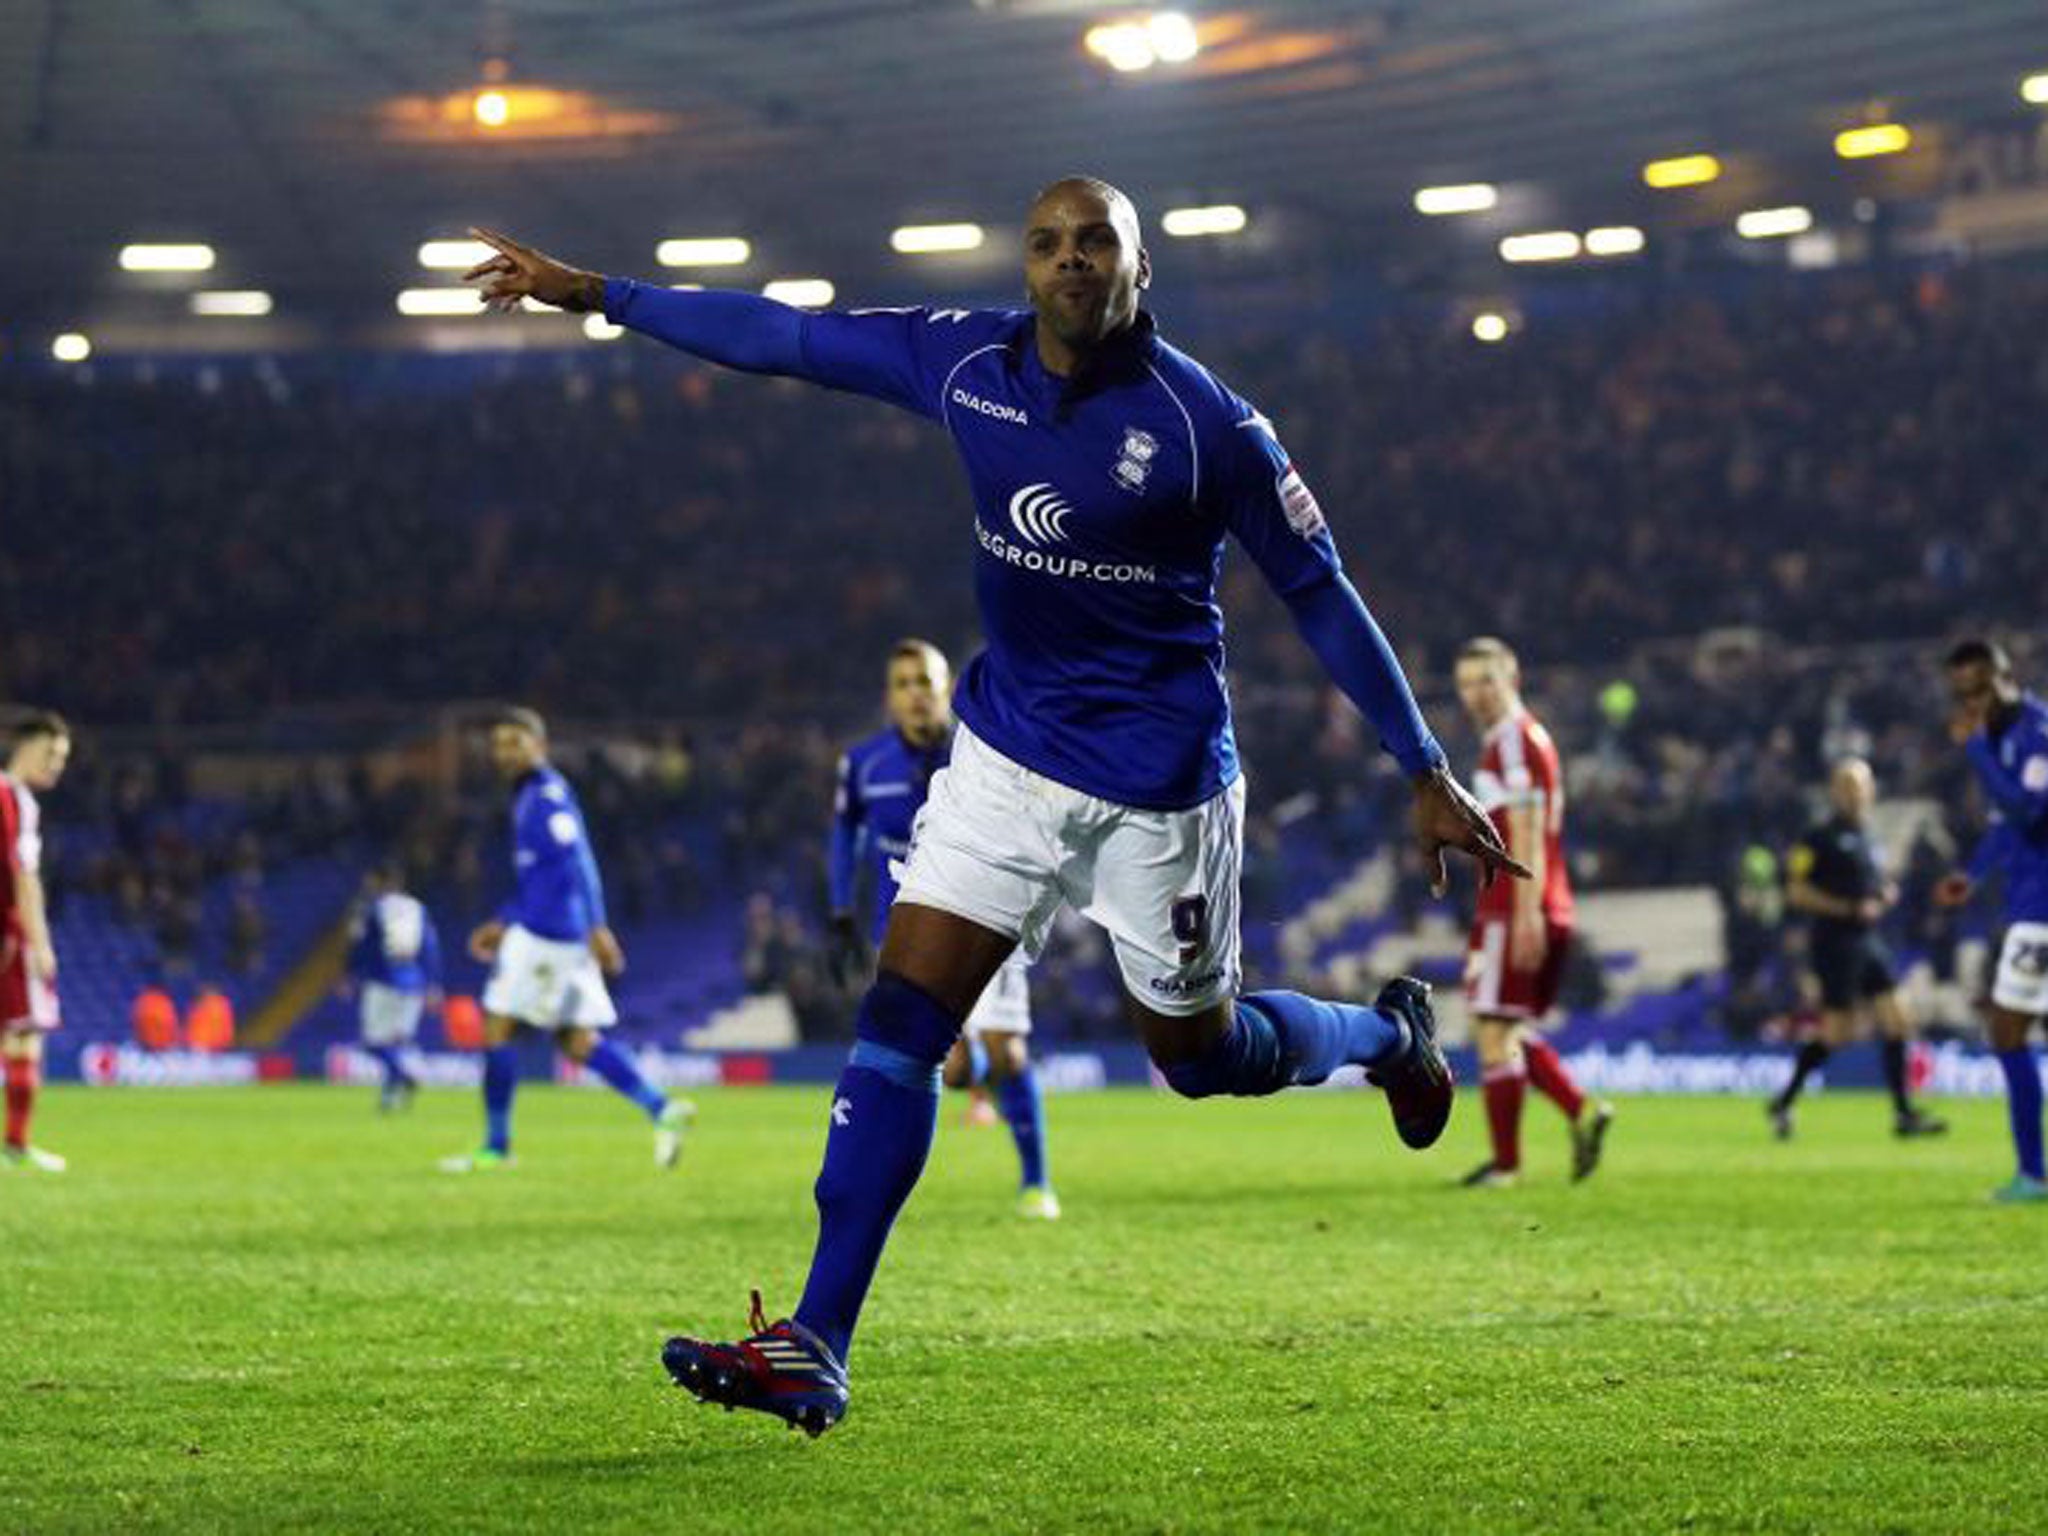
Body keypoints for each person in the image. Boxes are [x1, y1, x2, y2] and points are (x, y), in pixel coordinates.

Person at [466, 176, 1522, 1435]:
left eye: (1096, 243)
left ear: (1140, 269)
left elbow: (1321, 594)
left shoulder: (1211, 428)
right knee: (899, 1020)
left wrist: (1419, 762)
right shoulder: (962, 362)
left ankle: (1387, 1040)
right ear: (1025, 266)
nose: (1069, 261)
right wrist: (599, 296)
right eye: (1047, 243)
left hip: (1156, 792)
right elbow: (782, 337)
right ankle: (818, 1340)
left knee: (1200, 1059)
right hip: (1003, 764)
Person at [829, 638, 1057, 1218]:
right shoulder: (863, 764)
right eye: (903, 684)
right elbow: (843, 840)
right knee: (950, 1068)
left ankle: (1037, 1184)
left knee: (1009, 1053)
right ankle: (971, 1071)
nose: (915, 696)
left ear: (947, 689)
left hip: (989, 913)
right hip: (906, 932)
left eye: (925, 683)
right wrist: (840, 915)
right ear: (890, 697)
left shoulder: (983, 755)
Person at [440, 708, 694, 1172]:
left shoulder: (545, 795)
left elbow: (578, 860)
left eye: (515, 742)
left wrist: (597, 926)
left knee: (497, 1027)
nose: (505, 752)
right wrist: (504, 919)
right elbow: (542, 876)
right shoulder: (526, 796)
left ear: (540, 746)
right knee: (577, 1040)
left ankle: (496, 1148)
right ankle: (662, 1108)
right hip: (550, 928)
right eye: (499, 743)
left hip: (547, 934)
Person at [1452, 638, 1612, 1187]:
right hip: (1523, 900)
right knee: (1501, 1025)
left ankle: (1507, 1166)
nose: (1475, 694)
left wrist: (1524, 914)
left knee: (1492, 1032)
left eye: (1485, 681)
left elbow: (1525, 832)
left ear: (1511, 681)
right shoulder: (1513, 740)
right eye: (1466, 683)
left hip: (1516, 903)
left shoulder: (1515, 741)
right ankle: (1580, 1111)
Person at [1766, 758, 1947, 1140]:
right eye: (1846, 785)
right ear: (1834, 791)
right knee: (1838, 1032)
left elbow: (1873, 885)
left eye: (1860, 785)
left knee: (1898, 1019)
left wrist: (1884, 894)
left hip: (1867, 939)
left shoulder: (1868, 836)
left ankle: (1904, 1114)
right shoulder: (1817, 838)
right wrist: (1847, 907)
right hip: (1834, 941)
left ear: (1871, 791)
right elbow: (1797, 891)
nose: (1854, 793)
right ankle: (1784, 1101)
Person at [1934, 639, 2048, 1203]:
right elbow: (2007, 825)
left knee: (2007, 1031)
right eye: (1961, 694)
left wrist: (1976, 750)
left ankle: (2033, 1174)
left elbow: (2031, 812)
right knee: (2009, 1033)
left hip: (2043, 907)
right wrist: (1972, 875)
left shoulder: (2037, 732)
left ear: (2006, 677)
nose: (1971, 703)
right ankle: (2032, 1171)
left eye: (1979, 689)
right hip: (2030, 900)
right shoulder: (2004, 737)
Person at [1, 713, 73, 1172]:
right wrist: (40, 943)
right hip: (10, 930)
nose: (56, 767)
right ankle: (17, 1144)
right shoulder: (14, 799)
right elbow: (23, 878)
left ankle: (15, 1146)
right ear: (27, 745)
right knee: (24, 1033)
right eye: (52, 755)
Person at [342, 862, 443, 1112]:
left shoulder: (373, 908)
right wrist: (432, 983)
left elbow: (363, 946)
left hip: (383, 980)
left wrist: (349, 974)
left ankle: (402, 1076)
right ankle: (389, 1098)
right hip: (414, 982)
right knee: (396, 1043)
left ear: (380, 882)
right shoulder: (417, 908)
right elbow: (430, 946)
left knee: (373, 1043)